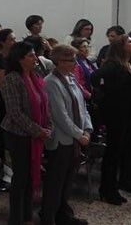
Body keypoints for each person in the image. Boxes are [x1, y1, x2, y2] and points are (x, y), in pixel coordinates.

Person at [1, 42, 52, 225]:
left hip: (34, 133)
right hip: (18, 134)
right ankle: (16, 219)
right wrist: (38, 131)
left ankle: (27, 216)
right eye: (31, 55)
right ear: (20, 59)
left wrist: (48, 126)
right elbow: (15, 113)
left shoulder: (35, 75)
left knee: (31, 177)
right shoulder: (12, 79)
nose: (35, 58)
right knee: (21, 178)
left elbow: (45, 103)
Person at [40, 45, 91, 225]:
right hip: (62, 140)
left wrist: (87, 129)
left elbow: (83, 107)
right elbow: (60, 116)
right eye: (71, 60)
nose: (75, 63)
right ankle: (48, 217)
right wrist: (79, 134)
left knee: (67, 180)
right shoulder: (51, 82)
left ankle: (63, 215)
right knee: (56, 181)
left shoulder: (71, 78)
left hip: (76, 138)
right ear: (60, 61)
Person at [92, 35, 131, 204]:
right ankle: (106, 189)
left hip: (126, 113)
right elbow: (95, 77)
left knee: (120, 152)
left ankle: (113, 187)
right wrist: (108, 93)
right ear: (121, 46)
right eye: (130, 42)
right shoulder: (113, 65)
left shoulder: (127, 63)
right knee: (112, 153)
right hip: (116, 114)